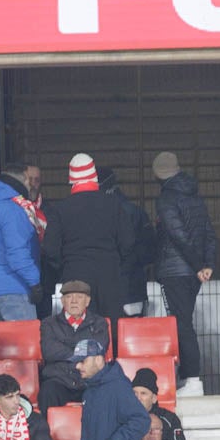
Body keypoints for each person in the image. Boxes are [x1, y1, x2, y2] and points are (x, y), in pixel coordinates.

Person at [42, 153, 135, 323]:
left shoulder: (60, 209)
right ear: (94, 176)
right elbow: (128, 242)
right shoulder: (113, 204)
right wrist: (116, 262)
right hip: (110, 275)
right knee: (111, 327)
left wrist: (64, 267)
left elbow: (49, 248)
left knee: (79, 327)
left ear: (71, 179)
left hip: (75, 276)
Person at [0, 162, 45, 322]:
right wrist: (35, 282)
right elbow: (17, 252)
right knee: (24, 343)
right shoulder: (12, 210)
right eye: (28, 181)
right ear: (21, 181)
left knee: (7, 345)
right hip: (14, 286)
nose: (30, 185)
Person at [38, 280, 111, 410]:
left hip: (89, 380)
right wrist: (80, 351)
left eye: (79, 297)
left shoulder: (99, 323)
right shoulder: (49, 323)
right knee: (47, 391)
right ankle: (46, 430)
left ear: (87, 301)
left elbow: (97, 349)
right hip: (59, 380)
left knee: (107, 392)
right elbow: (49, 351)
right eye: (69, 297)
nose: (74, 301)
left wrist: (64, 345)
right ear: (62, 301)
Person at [99, 166, 157, 318]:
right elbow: (150, 251)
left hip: (103, 289)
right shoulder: (135, 211)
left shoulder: (95, 215)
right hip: (133, 286)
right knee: (133, 336)